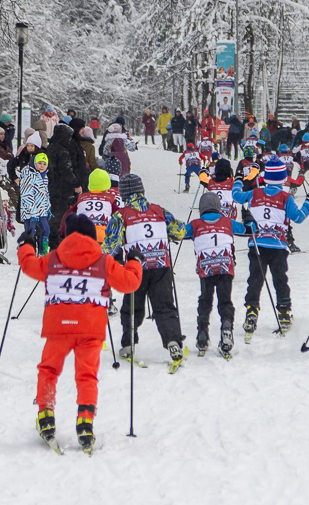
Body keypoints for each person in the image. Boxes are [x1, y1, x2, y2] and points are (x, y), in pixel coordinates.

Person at [18, 213, 142, 452]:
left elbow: (28, 265)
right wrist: (135, 261)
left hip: (59, 328)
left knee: (49, 370)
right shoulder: (104, 261)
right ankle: (85, 422)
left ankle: (46, 416)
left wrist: (25, 246)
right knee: (87, 376)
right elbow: (129, 283)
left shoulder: (53, 259)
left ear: (66, 234)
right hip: (90, 329)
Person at [102, 174, 187, 368]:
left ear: (123, 193)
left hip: (135, 268)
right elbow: (179, 231)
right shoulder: (159, 210)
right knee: (165, 305)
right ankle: (173, 341)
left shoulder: (121, 215)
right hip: (161, 265)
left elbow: (110, 246)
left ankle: (128, 344)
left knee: (132, 306)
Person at [231, 156, 309, 338]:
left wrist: (238, 180)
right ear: (283, 178)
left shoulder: (255, 193)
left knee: (255, 279)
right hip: (278, 245)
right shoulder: (286, 197)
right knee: (280, 280)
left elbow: (236, 196)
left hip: (257, 244)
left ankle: (251, 312)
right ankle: (284, 313)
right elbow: (299, 217)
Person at [183, 192, 252, 357]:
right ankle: (227, 328)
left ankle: (202, 334)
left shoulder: (195, 224)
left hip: (206, 268)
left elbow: (178, 233)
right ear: (218, 207)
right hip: (225, 267)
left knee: (205, 300)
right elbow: (249, 231)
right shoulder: (228, 222)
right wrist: (248, 218)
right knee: (225, 301)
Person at [45, 124, 81, 250]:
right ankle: (56, 244)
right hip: (61, 190)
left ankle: (50, 241)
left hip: (50, 188)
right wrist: (76, 183)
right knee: (59, 217)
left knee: (52, 216)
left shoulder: (50, 148)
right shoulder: (63, 152)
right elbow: (66, 171)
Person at [65, 169, 120, 242]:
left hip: (83, 235)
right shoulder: (111, 198)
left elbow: (69, 215)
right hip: (104, 235)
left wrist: (63, 232)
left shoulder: (82, 197)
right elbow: (119, 217)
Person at [20, 153, 52, 253]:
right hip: (30, 212)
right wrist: (33, 212)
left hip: (41, 211)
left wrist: (48, 208)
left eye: (44, 164)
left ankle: (43, 252)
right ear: (34, 164)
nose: (42, 166)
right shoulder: (29, 176)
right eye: (39, 163)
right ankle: (29, 253)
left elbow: (45, 195)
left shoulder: (44, 177)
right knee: (30, 233)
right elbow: (27, 195)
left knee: (46, 230)